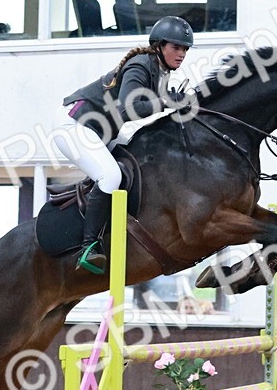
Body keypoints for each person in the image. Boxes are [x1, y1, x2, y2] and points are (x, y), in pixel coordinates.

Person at [56, 16, 195, 274]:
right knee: (110, 175)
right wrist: (166, 102)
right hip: (75, 127)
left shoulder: (160, 72)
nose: (181, 54)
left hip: (101, 133)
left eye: (185, 49)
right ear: (159, 46)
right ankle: (88, 247)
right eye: (176, 47)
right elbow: (129, 110)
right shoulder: (141, 65)